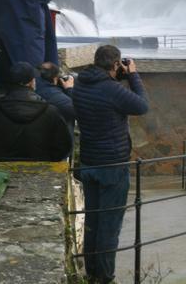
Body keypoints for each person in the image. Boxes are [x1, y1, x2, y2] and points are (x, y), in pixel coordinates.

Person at [74, 45, 148, 284]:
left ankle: (92, 273)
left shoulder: (80, 85)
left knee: (92, 221)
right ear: (115, 65)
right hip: (112, 166)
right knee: (109, 225)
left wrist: (119, 77)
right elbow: (141, 106)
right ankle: (105, 278)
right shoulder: (112, 89)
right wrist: (133, 75)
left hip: (89, 162)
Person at [0, 62, 73, 163]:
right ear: (32, 82)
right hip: (40, 172)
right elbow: (63, 147)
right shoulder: (50, 112)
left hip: (0, 173)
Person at [36, 62, 76, 137]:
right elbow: (77, 110)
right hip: (57, 141)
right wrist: (69, 89)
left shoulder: (34, 85)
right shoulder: (57, 97)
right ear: (55, 79)